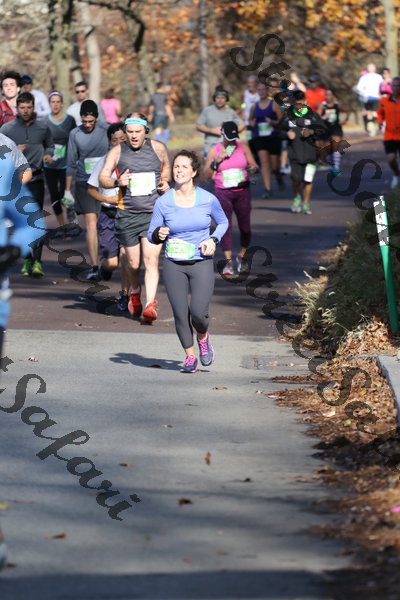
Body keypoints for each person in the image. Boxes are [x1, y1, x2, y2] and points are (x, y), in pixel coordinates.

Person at [147, 149, 228, 373]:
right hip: (174, 264)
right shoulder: (164, 202)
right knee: (181, 313)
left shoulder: (207, 199)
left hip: (201, 261)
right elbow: (151, 233)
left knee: (199, 313)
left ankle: (203, 336)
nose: (179, 170)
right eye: (176, 166)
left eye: (184, 166)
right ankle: (190, 356)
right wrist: (158, 234)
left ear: (193, 172)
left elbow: (223, 222)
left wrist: (213, 239)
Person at [99, 113, 170, 323]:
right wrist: (117, 182)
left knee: (151, 260)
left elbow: (167, 168)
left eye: (138, 132)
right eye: (129, 132)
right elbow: (103, 178)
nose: (134, 136)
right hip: (127, 215)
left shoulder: (158, 148)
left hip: (153, 214)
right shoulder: (117, 151)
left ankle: (150, 305)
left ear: (145, 130)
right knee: (133, 263)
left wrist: (166, 181)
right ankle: (135, 292)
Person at [1, 91, 54, 276]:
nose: (25, 111)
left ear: (33, 107)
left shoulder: (42, 127)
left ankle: (37, 261)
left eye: (28, 107)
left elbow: (50, 145)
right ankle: (26, 259)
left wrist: (48, 154)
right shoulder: (7, 129)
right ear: (17, 108)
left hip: (35, 178)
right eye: (22, 107)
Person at [87, 121, 133, 310]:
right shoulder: (104, 162)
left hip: (129, 213)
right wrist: (109, 199)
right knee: (112, 263)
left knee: (126, 258)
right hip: (109, 213)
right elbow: (91, 189)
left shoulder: (135, 161)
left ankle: (125, 295)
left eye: (123, 138)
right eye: (115, 140)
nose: (119, 142)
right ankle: (104, 269)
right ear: (110, 142)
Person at [204, 121, 258, 277]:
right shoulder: (215, 149)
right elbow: (205, 175)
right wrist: (216, 161)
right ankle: (228, 261)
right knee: (225, 226)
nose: (232, 141)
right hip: (223, 193)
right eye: (229, 137)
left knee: (245, 227)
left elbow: (254, 165)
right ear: (222, 134)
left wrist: (253, 168)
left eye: (234, 137)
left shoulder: (243, 147)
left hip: (242, 191)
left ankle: (242, 255)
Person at [65, 100, 108, 280]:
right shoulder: (75, 134)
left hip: (106, 183)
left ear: (96, 118)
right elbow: (70, 163)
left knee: (107, 225)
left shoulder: (107, 130)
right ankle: (95, 266)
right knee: (91, 225)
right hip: (85, 182)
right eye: (84, 121)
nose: (88, 125)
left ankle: (110, 259)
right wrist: (67, 190)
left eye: (91, 121)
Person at [279, 90, 328, 215]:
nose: (299, 107)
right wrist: (286, 134)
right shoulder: (288, 116)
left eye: (301, 103)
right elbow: (279, 131)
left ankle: (306, 203)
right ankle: (297, 197)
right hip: (295, 154)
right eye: (297, 104)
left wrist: (311, 132)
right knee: (296, 180)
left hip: (311, 155)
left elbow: (323, 131)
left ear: (305, 102)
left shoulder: (313, 115)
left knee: (308, 180)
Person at [44, 91, 78, 232]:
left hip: (65, 164)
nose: (55, 104)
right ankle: (62, 226)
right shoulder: (44, 121)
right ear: (49, 103)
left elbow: (75, 139)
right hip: (49, 165)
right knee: (54, 195)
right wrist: (45, 154)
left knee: (65, 194)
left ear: (62, 103)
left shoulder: (70, 120)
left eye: (58, 101)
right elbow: (41, 141)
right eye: (53, 102)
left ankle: (71, 220)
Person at [249, 79, 283, 198]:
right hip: (259, 137)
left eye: (264, 89)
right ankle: (267, 189)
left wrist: (272, 122)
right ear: (257, 91)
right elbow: (250, 119)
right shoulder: (254, 106)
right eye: (259, 89)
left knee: (274, 166)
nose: (261, 91)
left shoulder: (274, 104)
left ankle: (278, 175)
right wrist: (252, 123)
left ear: (268, 91)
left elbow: (280, 121)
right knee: (264, 163)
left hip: (273, 137)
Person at [196, 87, 245, 155]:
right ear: (214, 99)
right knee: (210, 161)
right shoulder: (207, 110)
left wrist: (231, 132)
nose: (220, 100)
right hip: (211, 145)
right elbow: (198, 126)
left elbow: (242, 125)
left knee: (228, 160)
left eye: (222, 98)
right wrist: (212, 130)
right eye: (218, 98)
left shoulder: (230, 112)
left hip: (228, 147)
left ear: (226, 99)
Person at [317, 88, 350, 176]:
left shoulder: (337, 105)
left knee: (335, 145)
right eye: (326, 95)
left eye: (329, 95)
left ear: (333, 96)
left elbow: (347, 111)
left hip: (336, 128)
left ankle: (336, 168)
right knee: (328, 148)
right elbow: (318, 116)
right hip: (326, 129)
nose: (328, 96)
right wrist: (324, 117)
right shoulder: (322, 105)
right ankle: (332, 164)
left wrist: (345, 120)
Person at [377, 77, 400, 188]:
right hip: (389, 135)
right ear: (391, 87)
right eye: (394, 85)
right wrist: (380, 122)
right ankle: (396, 174)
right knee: (391, 159)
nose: (396, 88)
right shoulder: (384, 100)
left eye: (398, 86)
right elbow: (380, 113)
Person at [355, 63, 383, 136]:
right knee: (374, 112)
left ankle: (370, 126)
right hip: (376, 97)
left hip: (367, 97)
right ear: (374, 69)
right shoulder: (379, 77)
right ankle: (374, 124)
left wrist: (363, 93)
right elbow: (382, 87)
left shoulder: (364, 77)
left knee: (368, 112)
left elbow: (359, 88)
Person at [240, 75, 260, 141]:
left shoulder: (260, 92)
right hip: (247, 120)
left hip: (258, 120)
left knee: (259, 139)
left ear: (256, 83)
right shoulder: (245, 93)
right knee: (249, 139)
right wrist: (243, 112)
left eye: (252, 82)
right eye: (248, 82)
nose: (250, 84)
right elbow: (242, 104)